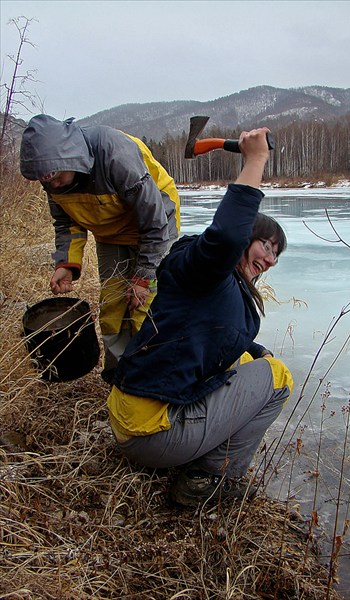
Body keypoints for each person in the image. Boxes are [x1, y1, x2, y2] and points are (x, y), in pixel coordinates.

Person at [107, 127, 293, 507]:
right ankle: (208, 480)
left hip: (130, 420)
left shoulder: (209, 283)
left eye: (277, 254)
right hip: (151, 434)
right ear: (246, 237)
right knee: (279, 378)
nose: (270, 260)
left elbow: (209, 332)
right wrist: (255, 160)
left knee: (256, 361)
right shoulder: (208, 271)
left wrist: (253, 351)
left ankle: (193, 453)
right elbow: (224, 237)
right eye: (266, 246)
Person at [20, 114, 180, 383]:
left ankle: (152, 379)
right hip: (111, 232)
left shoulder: (114, 154)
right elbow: (66, 223)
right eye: (44, 180)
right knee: (113, 306)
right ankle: (119, 377)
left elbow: (154, 221)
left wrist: (143, 276)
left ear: (68, 158)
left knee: (146, 306)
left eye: (54, 177)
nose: (51, 185)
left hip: (156, 225)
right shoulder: (52, 177)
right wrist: (65, 265)